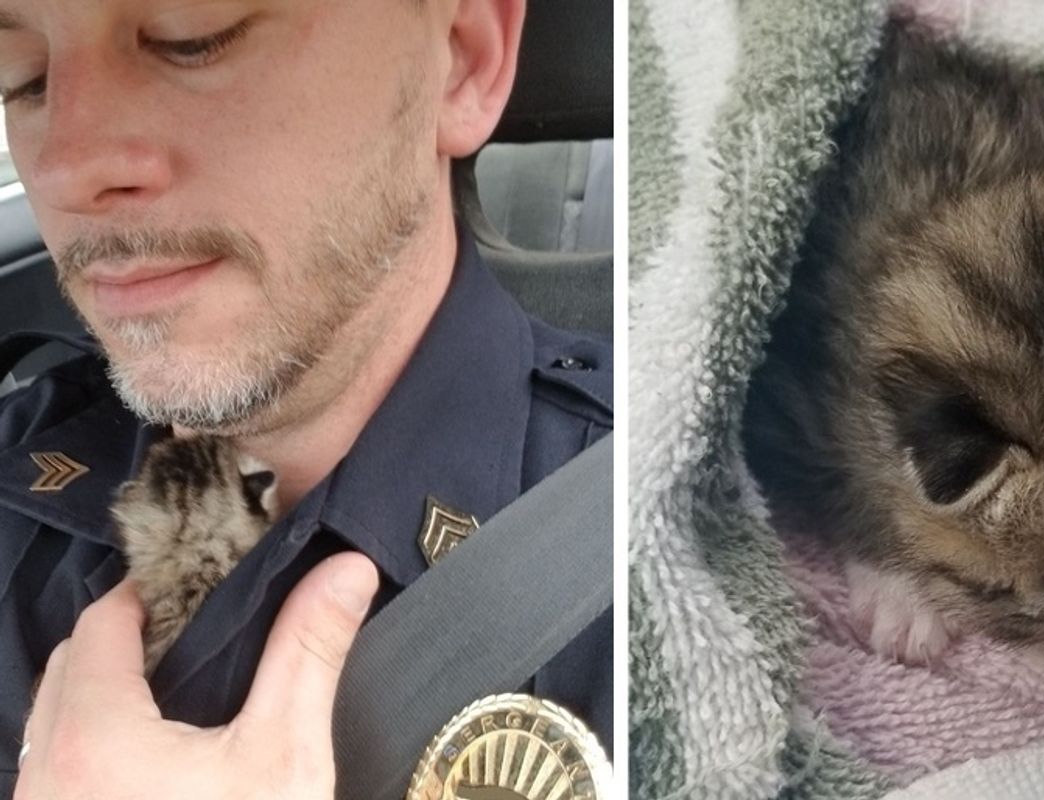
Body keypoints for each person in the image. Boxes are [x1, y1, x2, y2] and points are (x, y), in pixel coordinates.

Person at [0, 1, 613, 796]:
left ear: (461, 59)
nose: (63, 166)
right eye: (24, 80)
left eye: (193, 37)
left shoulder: (668, 550)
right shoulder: (19, 460)